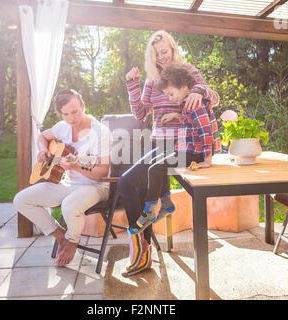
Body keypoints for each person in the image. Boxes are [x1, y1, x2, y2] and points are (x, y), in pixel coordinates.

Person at [119, 30, 220, 277]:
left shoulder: (189, 71)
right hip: (158, 144)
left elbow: (212, 97)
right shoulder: (151, 80)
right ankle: (141, 246)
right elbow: (140, 115)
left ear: (173, 49)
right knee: (127, 182)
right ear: (150, 58)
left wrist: (200, 92)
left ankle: (143, 250)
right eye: (156, 55)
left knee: (144, 188)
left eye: (165, 51)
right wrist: (132, 85)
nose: (162, 58)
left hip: (184, 146)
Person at [13, 89, 112, 267]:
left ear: (83, 106)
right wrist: (43, 150)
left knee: (69, 205)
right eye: (65, 114)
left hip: (96, 187)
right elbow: (43, 136)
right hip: (67, 185)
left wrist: (75, 166)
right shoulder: (62, 127)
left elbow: (103, 172)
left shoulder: (100, 132)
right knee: (21, 200)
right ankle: (60, 236)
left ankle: (72, 241)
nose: (71, 118)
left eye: (75, 112)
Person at [132, 64, 222, 234]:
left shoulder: (196, 103)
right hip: (188, 150)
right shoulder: (187, 103)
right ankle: (166, 204)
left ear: (182, 86)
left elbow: (206, 131)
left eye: (171, 94)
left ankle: (150, 209)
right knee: (156, 165)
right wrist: (176, 116)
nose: (170, 98)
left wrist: (207, 160)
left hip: (194, 153)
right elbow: (193, 123)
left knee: (156, 169)